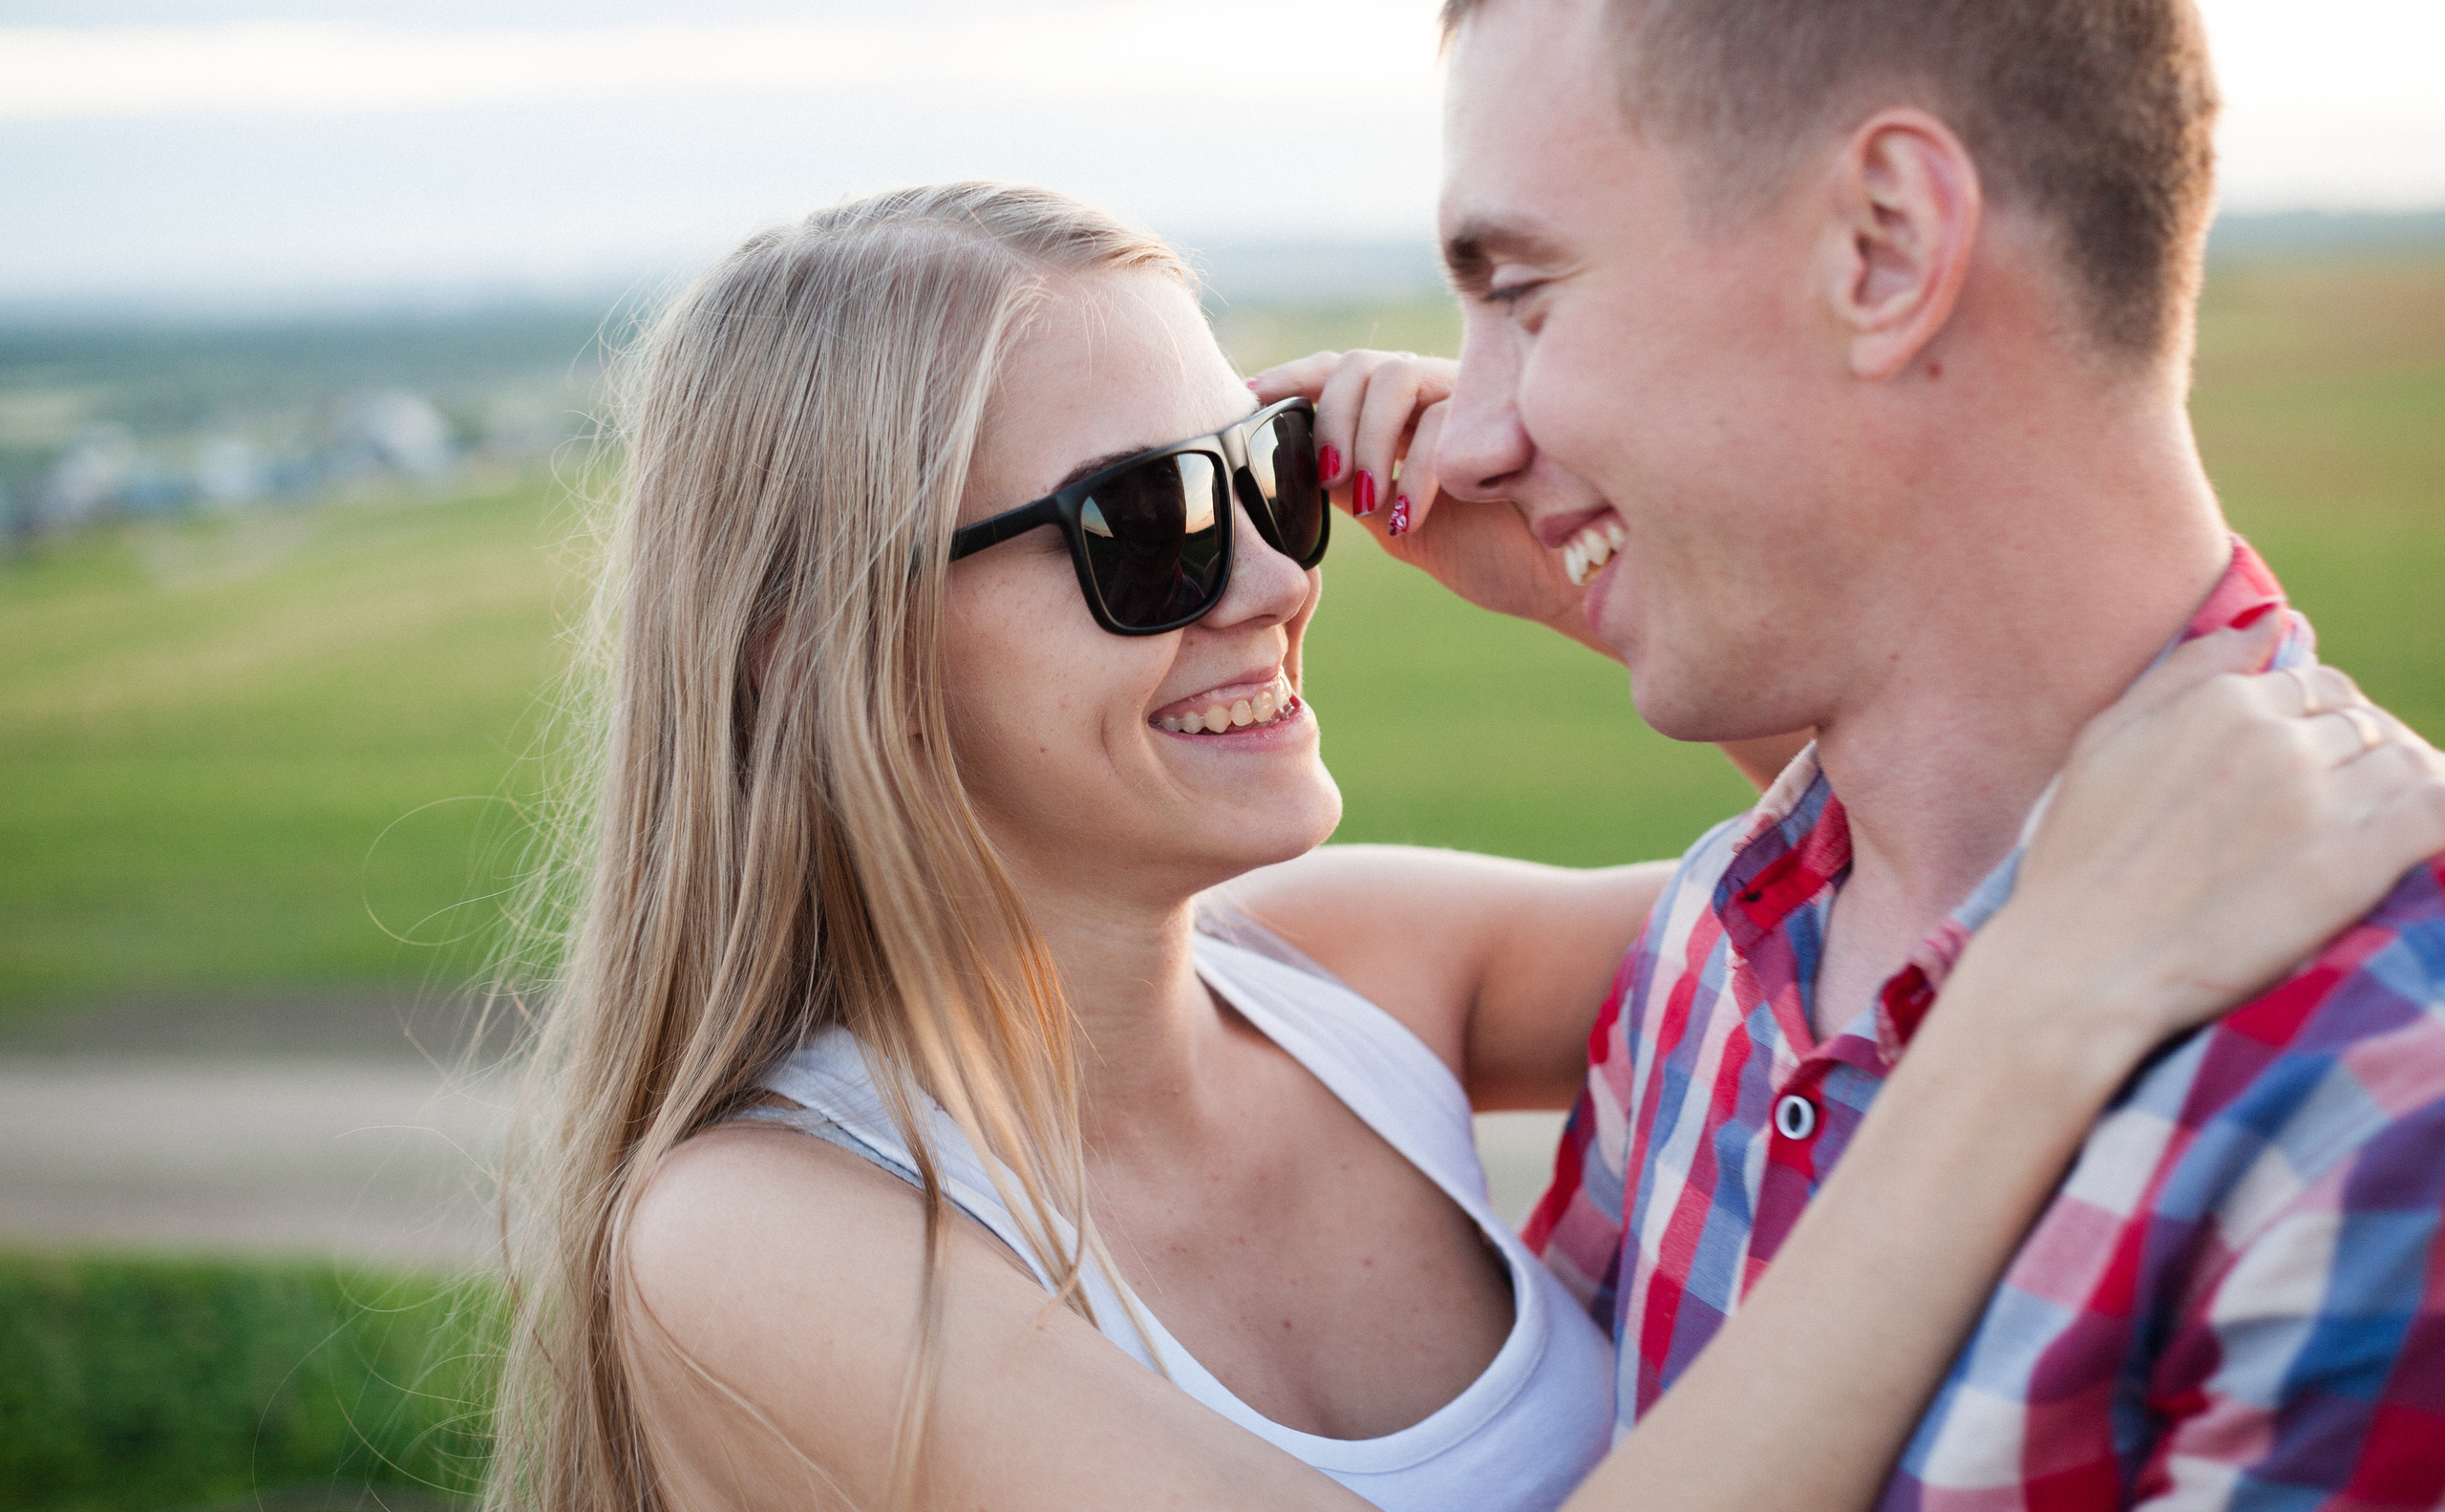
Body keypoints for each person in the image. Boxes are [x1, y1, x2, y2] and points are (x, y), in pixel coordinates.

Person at [478, 181, 2444, 1512]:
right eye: (1140, 526)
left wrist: (1611, 579)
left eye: (1270, 476)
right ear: (810, 644)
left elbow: (1893, 899)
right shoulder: (748, 1232)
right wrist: (2038, 1017)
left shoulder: (1342, 968)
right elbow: (2014, 948)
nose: (1265, 578)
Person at [1245, 0, 2445, 1505]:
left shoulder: (2383, 1103)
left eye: (1525, 293)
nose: (1461, 436)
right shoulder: (1720, 945)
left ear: (1884, 248)